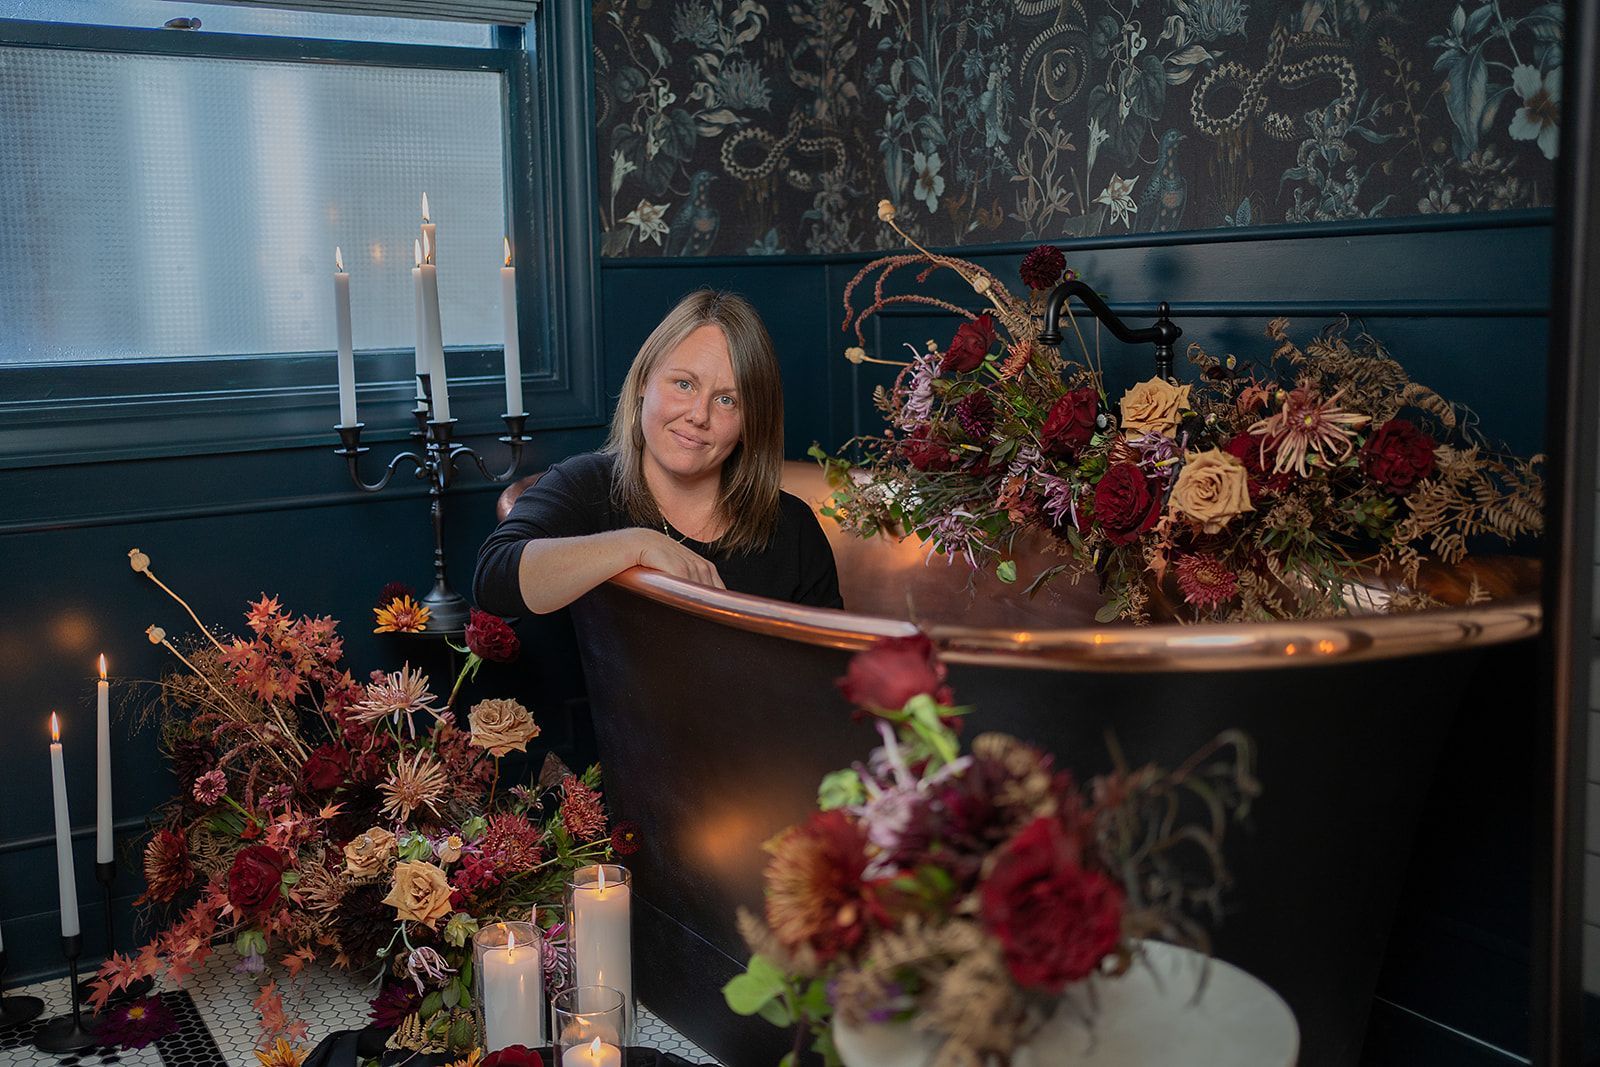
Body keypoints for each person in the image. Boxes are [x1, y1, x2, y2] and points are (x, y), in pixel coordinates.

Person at [473, 289, 843, 615]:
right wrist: (636, 545)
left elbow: (833, 675)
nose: (699, 415)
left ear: (751, 423)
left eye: (727, 400)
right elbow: (495, 581)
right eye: (684, 384)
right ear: (644, 382)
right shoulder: (585, 485)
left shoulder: (792, 528)